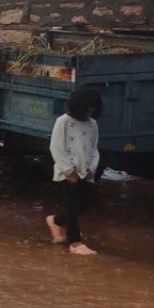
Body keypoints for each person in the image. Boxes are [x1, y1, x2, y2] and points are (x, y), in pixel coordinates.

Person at [45, 88, 103, 256]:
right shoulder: (62, 122)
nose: (90, 112)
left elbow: (94, 149)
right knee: (71, 206)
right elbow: (56, 148)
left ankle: (55, 220)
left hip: (86, 172)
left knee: (87, 202)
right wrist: (69, 171)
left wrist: (92, 168)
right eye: (88, 108)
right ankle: (75, 243)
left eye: (93, 109)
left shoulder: (93, 124)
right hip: (66, 173)